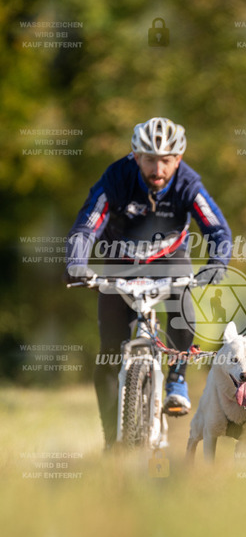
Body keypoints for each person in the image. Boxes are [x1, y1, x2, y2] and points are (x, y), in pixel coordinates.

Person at [65, 117, 232, 448]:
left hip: (170, 258)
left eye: (166, 160)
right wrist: (76, 263)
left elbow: (217, 229)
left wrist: (218, 263)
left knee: (183, 304)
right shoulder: (116, 178)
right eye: (150, 159)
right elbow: (86, 226)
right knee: (110, 353)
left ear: (178, 159)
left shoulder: (188, 184)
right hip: (120, 261)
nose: (158, 169)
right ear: (136, 156)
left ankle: (177, 380)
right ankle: (112, 442)